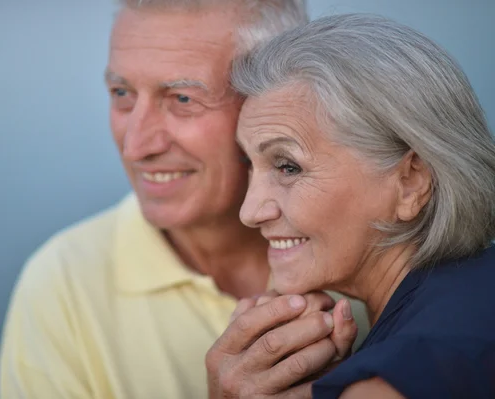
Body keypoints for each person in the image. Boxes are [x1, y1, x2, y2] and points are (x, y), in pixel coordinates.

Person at [0, 2, 370, 398]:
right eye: (121, 93)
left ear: (275, 97)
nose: (136, 145)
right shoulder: (61, 286)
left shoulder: (377, 246)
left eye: (182, 99)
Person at [207, 13, 495, 398]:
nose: (250, 211)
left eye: (287, 166)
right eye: (250, 164)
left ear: (411, 182)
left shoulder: (384, 386)